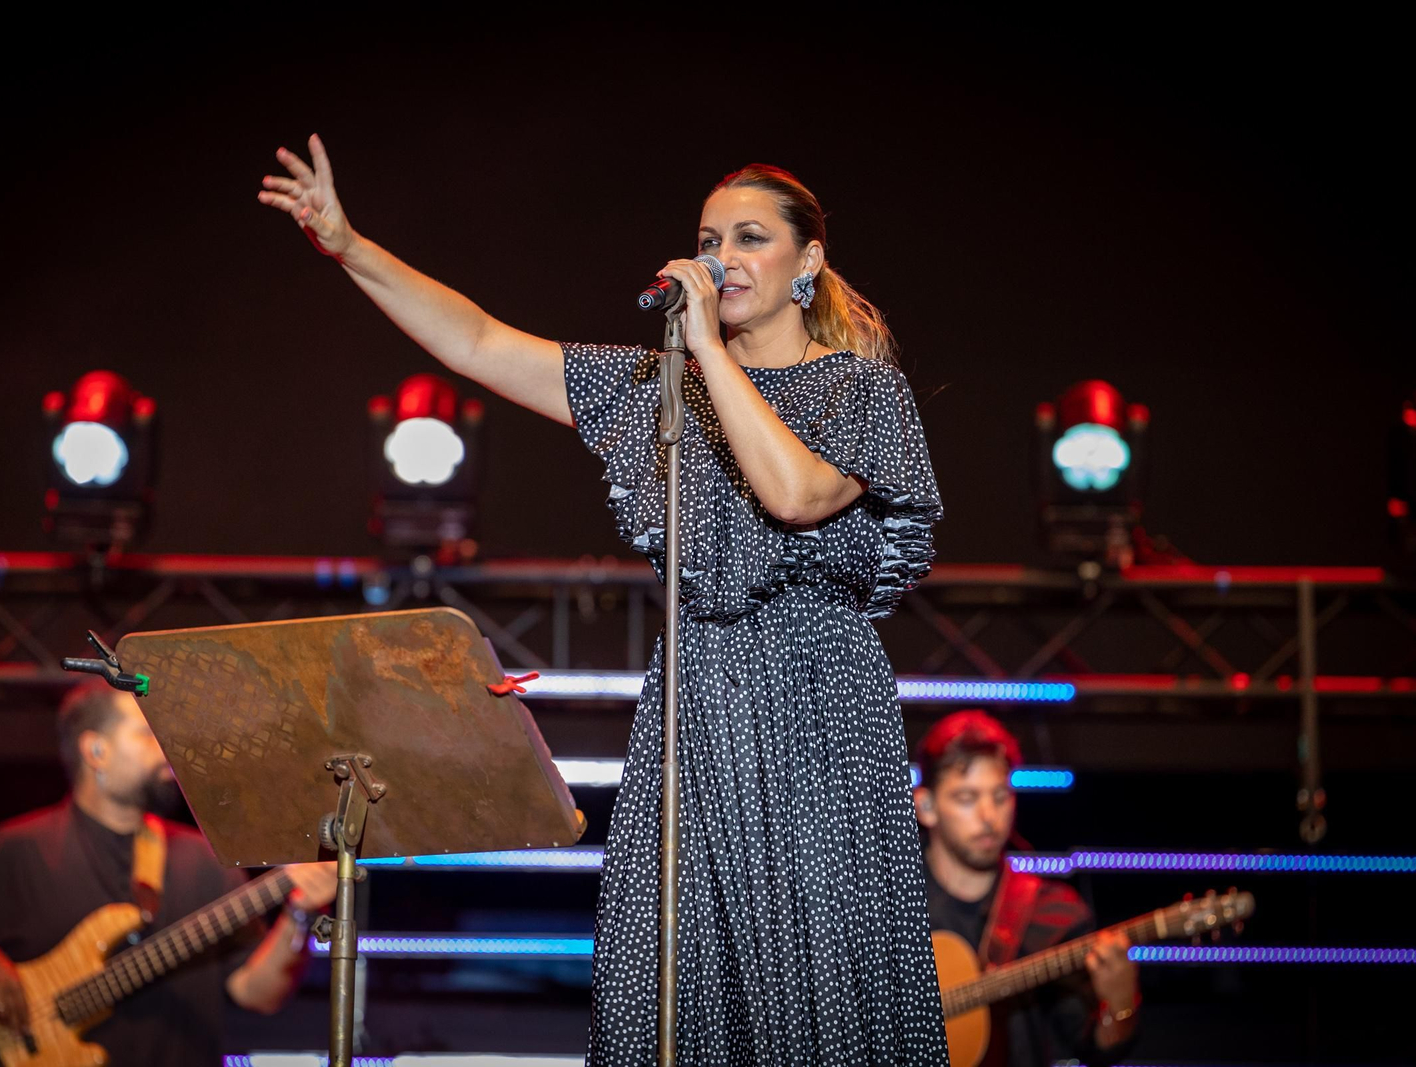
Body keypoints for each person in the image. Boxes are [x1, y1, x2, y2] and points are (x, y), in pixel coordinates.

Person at [258, 137, 949, 1064]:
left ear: (808, 261)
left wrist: (707, 351)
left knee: (820, 987)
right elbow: (478, 341)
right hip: (694, 704)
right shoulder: (660, 388)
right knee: (676, 986)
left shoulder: (861, 389)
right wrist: (349, 246)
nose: (722, 258)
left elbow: (794, 495)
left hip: (815, 710)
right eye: (709, 240)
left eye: (750, 238)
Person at [0, 680, 338, 1066]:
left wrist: (298, 915)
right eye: (147, 734)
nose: (167, 748)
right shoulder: (11, 853)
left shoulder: (205, 860)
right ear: (96, 751)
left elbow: (258, 994)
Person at [913, 710, 1140, 1067]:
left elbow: (1096, 1049)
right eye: (967, 798)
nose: (989, 816)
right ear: (926, 807)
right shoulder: (883, 906)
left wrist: (1122, 1005)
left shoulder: (1054, 915)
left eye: (1000, 795)